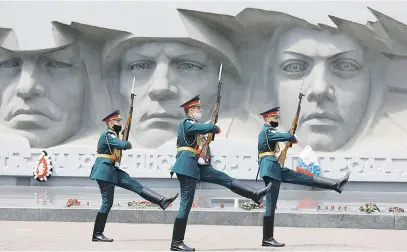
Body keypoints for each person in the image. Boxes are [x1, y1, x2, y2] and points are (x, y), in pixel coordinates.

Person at [170, 95, 272, 251]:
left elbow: (202, 139)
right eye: (198, 109)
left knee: (225, 179)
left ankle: (254, 194)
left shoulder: (194, 125)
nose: (200, 110)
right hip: (186, 166)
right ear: (190, 110)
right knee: (186, 204)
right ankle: (176, 243)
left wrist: (210, 133)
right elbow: (202, 129)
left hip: (195, 165)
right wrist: (213, 127)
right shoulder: (186, 123)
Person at [258, 106, 350, 247]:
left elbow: (284, 138)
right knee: (270, 204)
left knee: (304, 178)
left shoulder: (270, 132)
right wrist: (291, 135)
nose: (277, 120)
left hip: (275, 168)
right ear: (268, 119)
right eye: (275, 118)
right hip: (270, 170)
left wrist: (290, 135)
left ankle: (335, 184)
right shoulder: (266, 131)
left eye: (277, 118)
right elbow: (286, 137)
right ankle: (267, 238)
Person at [90, 110, 179, 242]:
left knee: (135, 185)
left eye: (120, 121)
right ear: (110, 123)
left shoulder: (114, 135)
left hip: (111, 170)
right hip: (104, 172)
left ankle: (162, 201)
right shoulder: (108, 134)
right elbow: (124, 145)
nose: (119, 123)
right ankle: (97, 234)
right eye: (117, 121)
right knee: (107, 202)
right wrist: (125, 140)